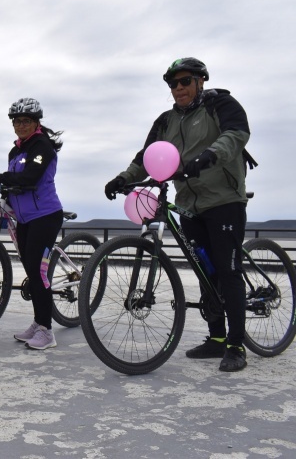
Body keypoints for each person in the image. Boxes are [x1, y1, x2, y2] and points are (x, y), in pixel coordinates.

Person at [104, 57, 252, 372]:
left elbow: (236, 134)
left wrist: (210, 155)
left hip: (224, 199)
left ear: (201, 81)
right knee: (204, 270)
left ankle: (236, 346)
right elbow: (146, 158)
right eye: (173, 83)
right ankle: (216, 339)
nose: (179, 88)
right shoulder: (166, 121)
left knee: (227, 271)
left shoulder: (221, 104)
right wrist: (122, 179)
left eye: (185, 81)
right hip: (189, 204)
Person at [0, 98, 65, 349]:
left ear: (36, 122)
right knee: (30, 270)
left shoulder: (43, 146)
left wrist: (0, 177)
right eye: (17, 121)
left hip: (46, 216)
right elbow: (12, 184)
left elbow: (30, 177)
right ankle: (39, 322)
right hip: (26, 218)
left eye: (26, 121)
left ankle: (47, 332)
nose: (20, 125)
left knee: (38, 273)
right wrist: (2, 197)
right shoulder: (15, 150)